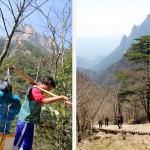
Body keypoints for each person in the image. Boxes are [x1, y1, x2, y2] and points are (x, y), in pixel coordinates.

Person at [12, 77, 71, 150]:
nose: (49, 90)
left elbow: (47, 98)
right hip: (25, 119)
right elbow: (43, 101)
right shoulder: (34, 90)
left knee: (27, 144)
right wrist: (60, 97)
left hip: (31, 121)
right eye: (49, 88)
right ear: (46, 84)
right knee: (18, 142)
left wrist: (62, 99)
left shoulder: (41, 91)